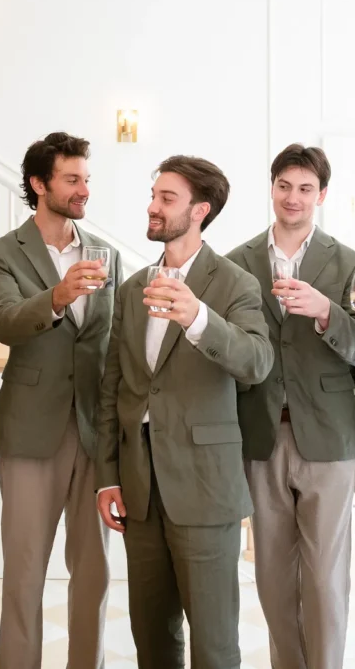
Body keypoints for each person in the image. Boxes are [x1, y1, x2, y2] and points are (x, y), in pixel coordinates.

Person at [95, 155, 274, 668]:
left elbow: (257, 362)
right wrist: (108, 477)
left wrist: (198, 318)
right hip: (139, 490)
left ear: (200, 210)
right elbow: (114, 388)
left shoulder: (235, 283)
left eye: (166, 198)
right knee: (151, 638)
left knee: (214, 644)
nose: (153, 206)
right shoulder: (132, 288)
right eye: (154, 196)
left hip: (205, 488)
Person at [225, 143, 355, 668]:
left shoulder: (351, 262)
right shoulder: (236, 263)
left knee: (326, 575)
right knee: (271, 574)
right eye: (284, 186)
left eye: (305, 188)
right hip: (260, 435)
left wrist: (325, 311)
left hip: (329, 436)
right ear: (272, 189)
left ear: (322, 195)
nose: (293, 197)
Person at [0, 132, 120, 669]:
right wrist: (59, 295)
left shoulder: (105, 254)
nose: (84, 189)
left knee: (94, 573)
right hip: (30, 431)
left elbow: (113, 342)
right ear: (39, 184)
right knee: (24, 573)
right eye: (72, 179)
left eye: (87, 178)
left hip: (95, 432)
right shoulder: (2, 253)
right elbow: (5, 322)